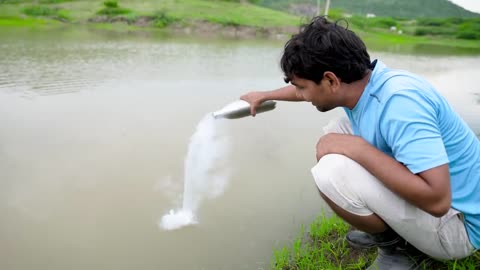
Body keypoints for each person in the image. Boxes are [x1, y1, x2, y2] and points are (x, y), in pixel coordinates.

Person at [241, 16, 480, 270]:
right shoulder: (370, 82)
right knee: (338, 131)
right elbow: (309, 87)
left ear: (331, 80)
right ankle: (392, 229)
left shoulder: (401, 106)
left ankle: (398, 249)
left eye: (302, 87)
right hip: (452, 204)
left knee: (331, 171)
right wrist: (265, 95)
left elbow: (438, 200)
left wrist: (357, 149)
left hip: (459, 228)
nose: (301, 94)